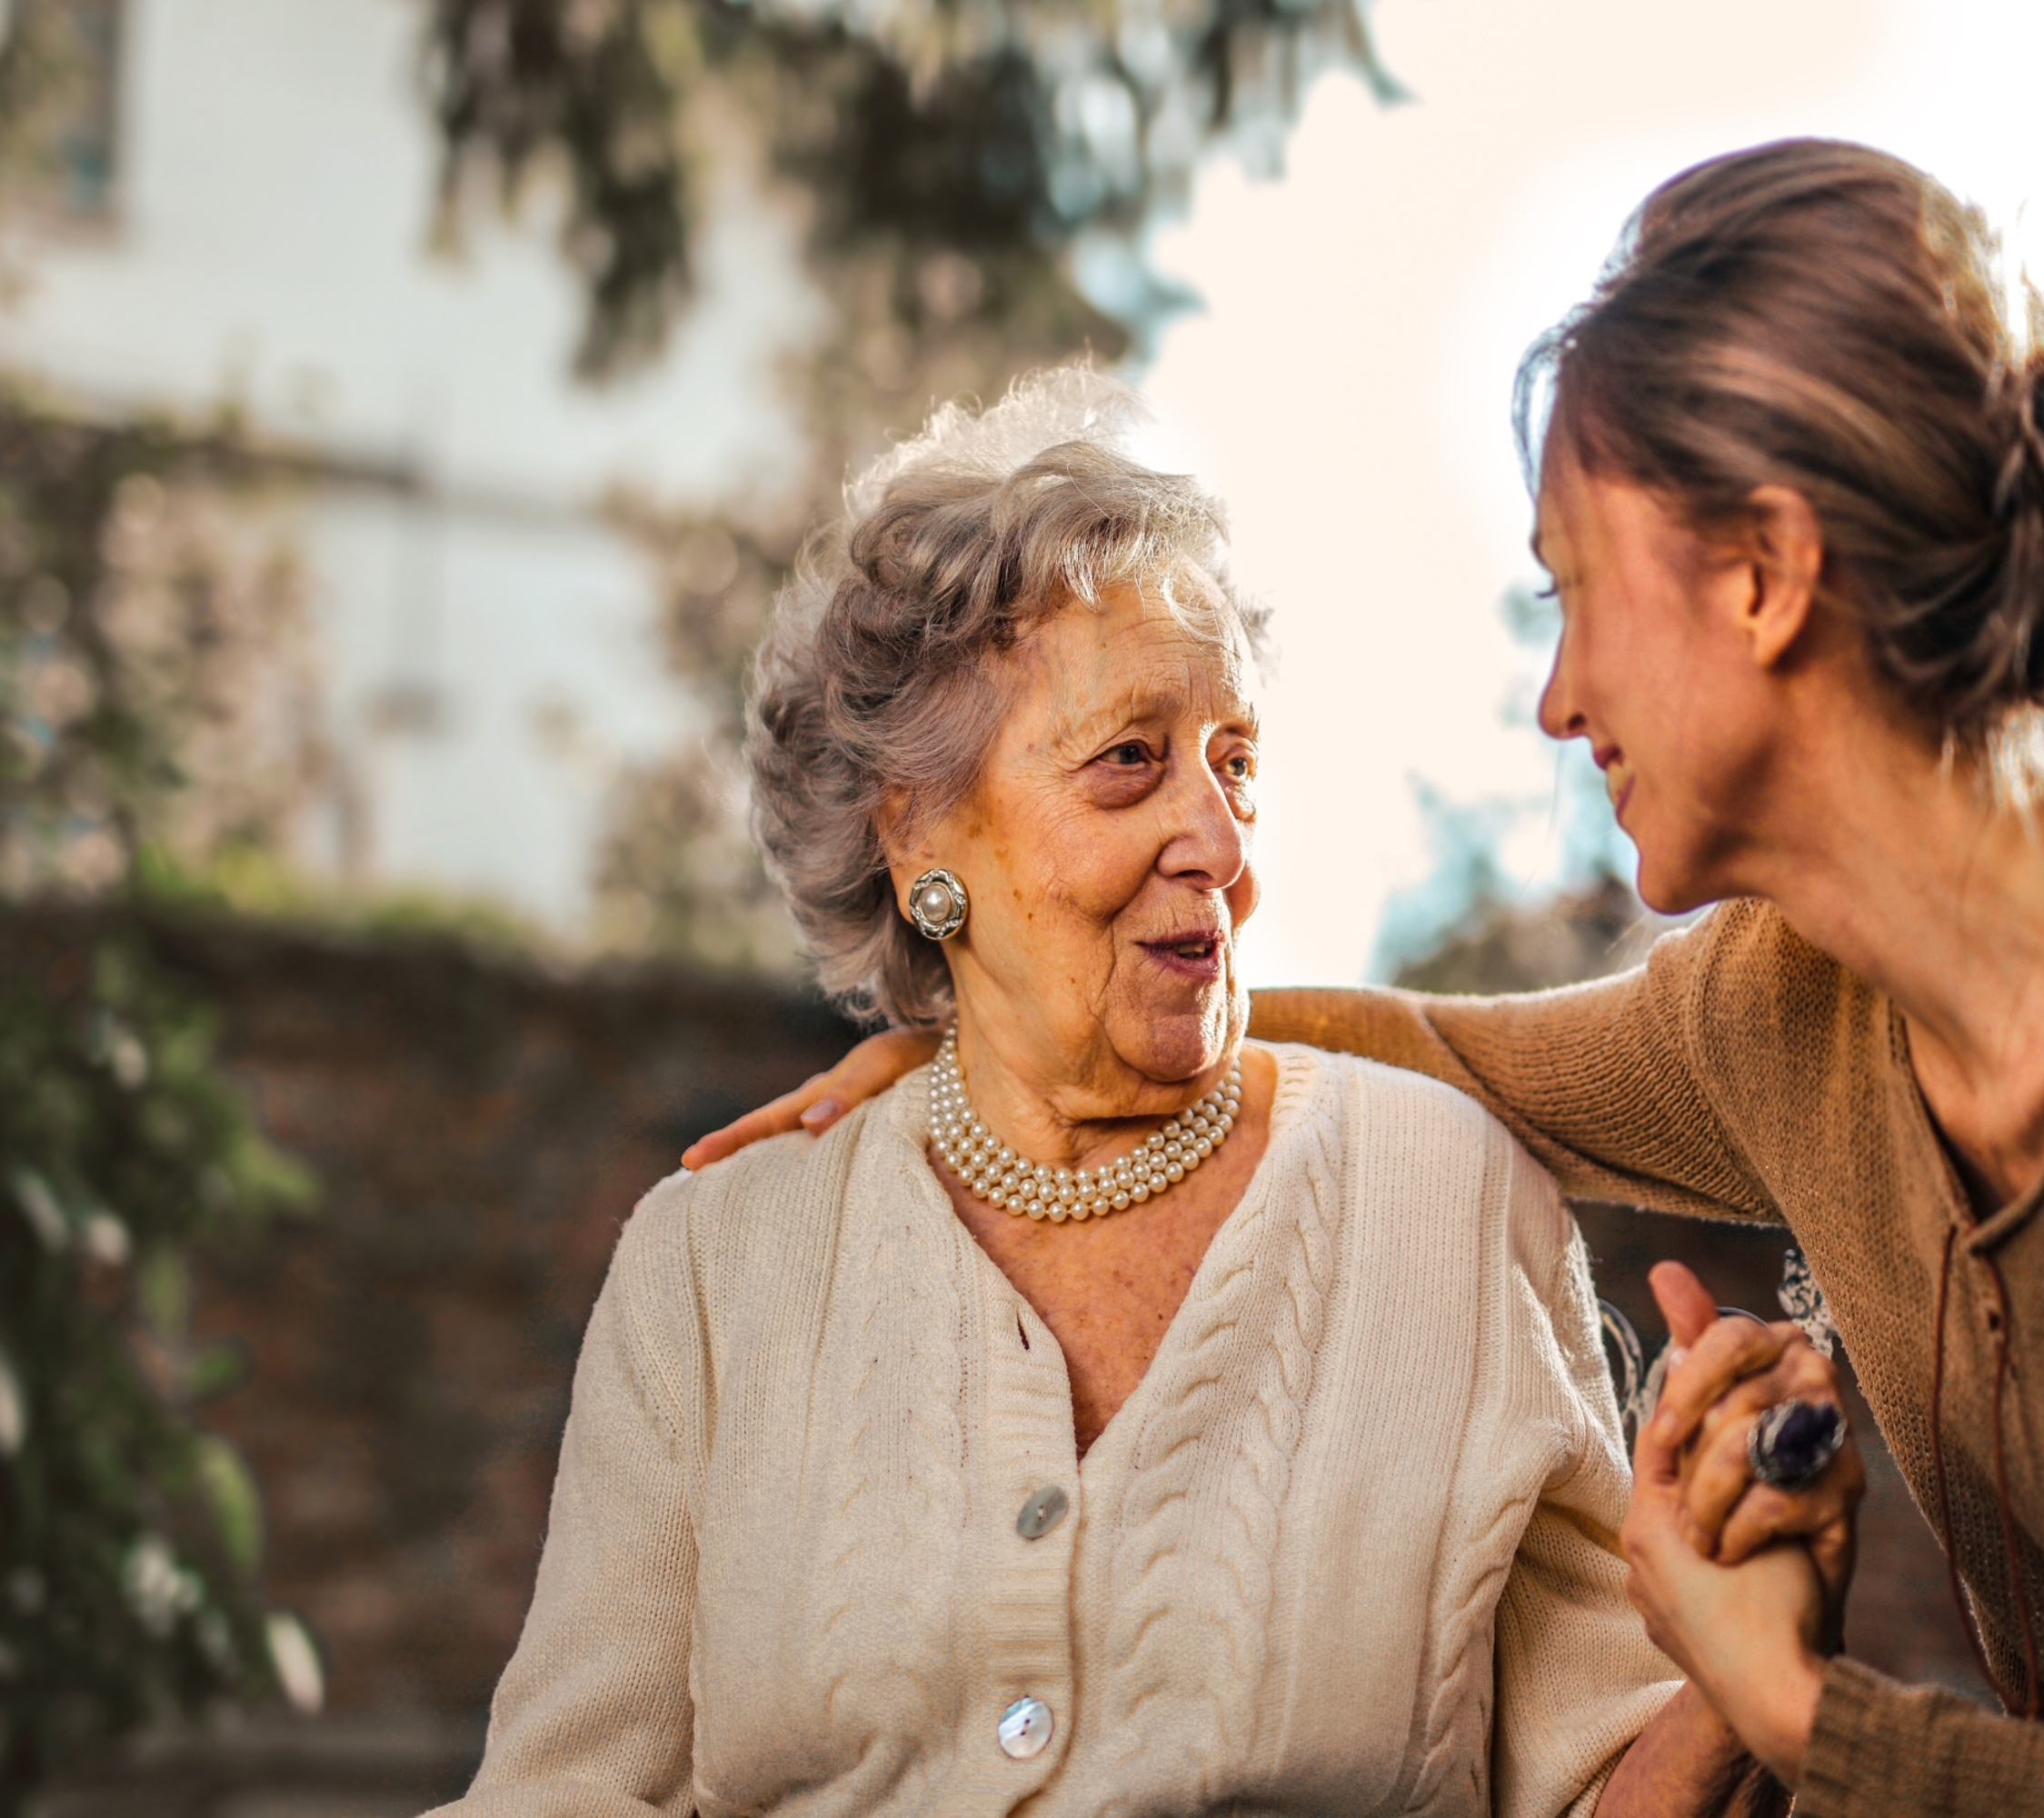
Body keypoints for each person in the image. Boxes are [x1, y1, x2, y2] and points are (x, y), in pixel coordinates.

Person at [686, 144, 2044, 1816]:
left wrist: (1803, 1714)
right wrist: (1000, 1034)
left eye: (1574, 592)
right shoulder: (1797, 1003)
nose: (1558, 698)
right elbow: (1435, 1055)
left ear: (1766, 577)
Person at [436, 369, 1796, 1817]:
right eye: (1130, 761)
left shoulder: (1448, 1199)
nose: (1216, 838)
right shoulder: (713, 1264)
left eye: (1238, 764)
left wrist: (1740, 1671)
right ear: (917, 835)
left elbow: (1600, 1786)